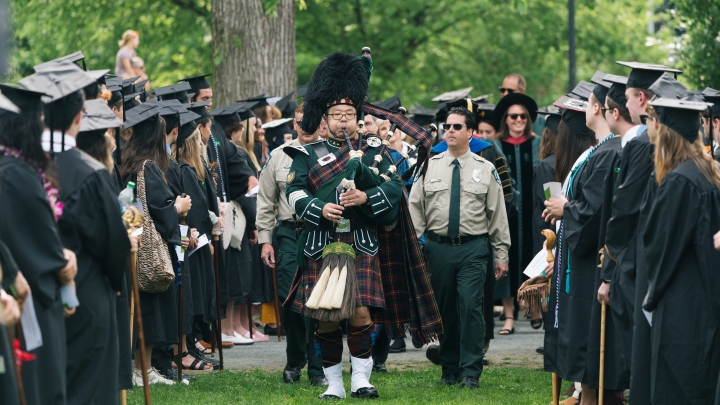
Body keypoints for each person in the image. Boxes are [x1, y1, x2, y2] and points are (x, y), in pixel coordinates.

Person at [284, 51, 442, 400]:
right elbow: (292, 192)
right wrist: (319, 207)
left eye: (350, 115)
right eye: (337, 115)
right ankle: (334, 384)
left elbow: (394, 188)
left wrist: (365, 199)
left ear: (359, 117)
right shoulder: (307, 154)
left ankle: (360, 379)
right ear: (324, 119)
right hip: (320, 244)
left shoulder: (374, 152)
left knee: (359, 311)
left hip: (361, 243)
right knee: (326, 316)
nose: (343, 121)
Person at [409, 107, 510, 388]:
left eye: (456, 127)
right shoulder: (429, 165)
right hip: (438, 248)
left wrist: (501, 254)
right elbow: (415, 207)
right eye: (447, 126)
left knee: (470, 306)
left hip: (473, 247)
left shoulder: (485, 168)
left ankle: (470, 371)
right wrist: (416, 247)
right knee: (445, 311)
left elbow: (497, 214)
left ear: (470, 132)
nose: (449, 131)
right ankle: (449, 368)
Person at [0, 83, 77, 405]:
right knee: (39, 386)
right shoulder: (15, 174)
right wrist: (63, 264)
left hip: (21, 292)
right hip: (30, 300)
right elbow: (37, 238)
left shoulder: (13, 169)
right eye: (40, 121)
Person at [543, 87, 621, 403]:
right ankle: (585, 395)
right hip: (578, 260)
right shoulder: (597, 151)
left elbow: (594, 210)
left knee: (592, 337)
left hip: (592, 263)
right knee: (582, 334)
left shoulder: (607, 153)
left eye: (589, 104)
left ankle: (590, 397)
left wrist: (566, 209)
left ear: (599, 109)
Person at [642, 95, 720, 403]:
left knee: (677, 383)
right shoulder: (709, 173)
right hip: (708, 296)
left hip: (682, 302)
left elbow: (662, 247)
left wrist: (651, 295)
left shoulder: (679, 181)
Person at [257, 102, 327, 386]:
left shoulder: (330, 154)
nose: (305, 126)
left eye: (311, 121)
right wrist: (265, 240)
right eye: (300, 121)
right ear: (294, 124)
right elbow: (265, 201)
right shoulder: (278, 156)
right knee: (290, 300)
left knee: (320, 301)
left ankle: (318, 365)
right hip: (288, 233)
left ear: (321, 123)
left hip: (321, 232)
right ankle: (295, 359)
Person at [120, 104, 189, 386]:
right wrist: (179, 207)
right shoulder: (148, 167)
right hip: (150, 248)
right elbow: (160, 210)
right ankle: (144, 369)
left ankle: (143, 369)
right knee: (149, 307)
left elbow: (133, 209)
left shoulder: (128, 164)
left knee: (142, 305)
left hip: (135, 240)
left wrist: (133, 232)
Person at [494, 92, 540, 334]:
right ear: (506, 119)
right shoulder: (497, 145)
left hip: (534, 212)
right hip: (507, 213)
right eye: (513, 116)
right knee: (507, 260)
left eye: (523, 116)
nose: (518, 119)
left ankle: (533, 308)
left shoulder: (538, 142)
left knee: (533, 257)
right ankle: (509, 316)